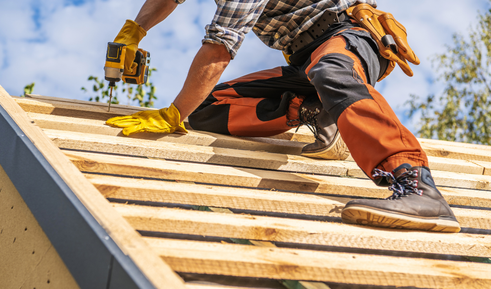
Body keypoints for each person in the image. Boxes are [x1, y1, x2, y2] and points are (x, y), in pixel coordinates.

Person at [105, 0, 461, 233]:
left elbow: (219, 49)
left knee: (332, 72)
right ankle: (315, 109)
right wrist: (135, 29)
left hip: (348, 37)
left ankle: (416, 184)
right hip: (306, 60)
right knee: (207, 108)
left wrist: (173, 114)